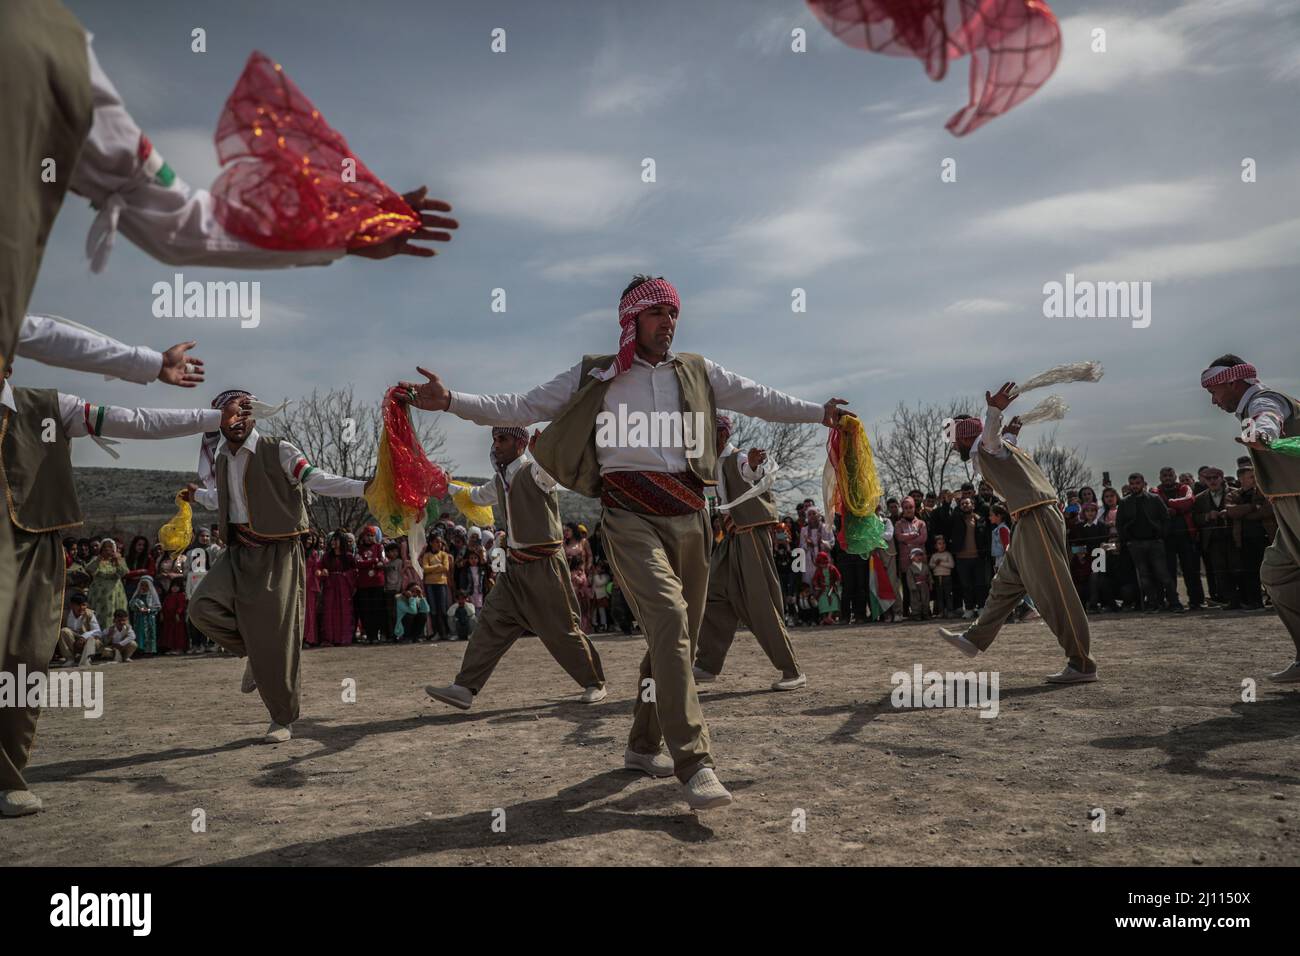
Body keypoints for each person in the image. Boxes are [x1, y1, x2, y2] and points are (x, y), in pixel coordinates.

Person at [398, 273, 850, 810]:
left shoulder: (698, 371)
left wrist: (818, 412)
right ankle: (695, 761)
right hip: (628, 518)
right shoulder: (599, 374)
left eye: (674, 314)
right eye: (658, 313)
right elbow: (520, 404)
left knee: (670, 638)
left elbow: (760, 398)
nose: (669, 323)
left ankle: (641, 745)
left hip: (691, 519)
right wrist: (450, 400)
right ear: (631, 319)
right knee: (670, 621)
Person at [0, 365, 241, 817]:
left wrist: (212, 419)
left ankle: (7, 776)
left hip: (31, 549)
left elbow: (137, 419)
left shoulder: (51, 408)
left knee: (23, 661)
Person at [184, 389, 371, 744]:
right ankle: (254, 653)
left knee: (280, 639)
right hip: (238, 550)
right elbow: (224, 498)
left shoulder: (278, 449)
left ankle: (282, 718)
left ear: (254, 416)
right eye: (229, 415)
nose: (236, 421)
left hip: (278, 552)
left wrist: (364, 487)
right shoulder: (222, 458)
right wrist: (195, 495)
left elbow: (316, 479)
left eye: (243, 413)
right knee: (201, 608)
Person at [423, 427, 607, 710]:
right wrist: (446, 484)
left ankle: (595, 682)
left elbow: (552, 474)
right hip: (514, 570)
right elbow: (474, 496)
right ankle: (464, 687)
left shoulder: (535, 471)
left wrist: (542, 453)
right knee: (490, 623)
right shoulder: (500, 480)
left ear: (520, 444)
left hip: (545, 566)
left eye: (502, 439)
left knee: (562, 630)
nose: (496, 445)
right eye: (494, 439)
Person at [938, 387, 1096, 684]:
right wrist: (1008, 431)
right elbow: (1002, 444)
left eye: (953, 439)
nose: (952, 446)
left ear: (963, 436)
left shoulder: (983, 446)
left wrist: (994, 412)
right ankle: (975, 638)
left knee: (1054, 591)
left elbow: (991, 439)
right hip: (1028, 518)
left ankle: (1082, 663)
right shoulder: (993, 449)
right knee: (1006, 583)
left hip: (1036, 515)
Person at [1202, 356, 1300, 680]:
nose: (1213, 400)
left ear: (1233, 381)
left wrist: (1262, 431)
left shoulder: (1263, 400)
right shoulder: (1248, 410)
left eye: (1214, 391)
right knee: (1277, 574)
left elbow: (1268, 417)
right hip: (1287, 503)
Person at [694, 417, 804, 691]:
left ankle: (791, 670)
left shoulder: (737, 458)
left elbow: (751, 472)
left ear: (720, 436)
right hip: (732, 539)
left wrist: (754, 464)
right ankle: (707, 664)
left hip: (750, 536)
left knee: (760, 601)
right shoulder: (713, 463)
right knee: (715, 593)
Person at [1118, 473, 1182, 613]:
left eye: (1137, 483)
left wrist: (1161, 535)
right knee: (1144, 577)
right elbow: (1120, 524)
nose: (1135, 486)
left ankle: (1174, 602)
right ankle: (1153, 604)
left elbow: (1165, 518)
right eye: (1132, 484)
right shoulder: (1124, 502)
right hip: (1135, 544)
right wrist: (1127, 540)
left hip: (1155, 542)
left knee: (1163, 574)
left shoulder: (1154, 499)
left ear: (1143, 483)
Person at [1155, 466, 1205, 610]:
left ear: (1175, 476)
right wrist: (1177, 507)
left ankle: (1196, 601)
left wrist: (1169, 505)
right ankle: (1173, 602)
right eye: (1164, 475)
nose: (1167, 477)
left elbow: (1188, 501)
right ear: (1160, 478)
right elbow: (1157, 506)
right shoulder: (1155, 491)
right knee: (1169, 572)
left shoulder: (1184, 488)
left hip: (1186, 536)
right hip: (1166, 538)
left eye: (1170, 475)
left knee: (1191, 570)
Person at [1225, 466, 1271, 609]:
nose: (1254, 480)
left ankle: (1274, 600)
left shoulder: (1264, 492)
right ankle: (1255, 601)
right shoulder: (1233, 495)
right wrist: (1253, 507)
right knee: (1250, 572)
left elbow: (1267, 510)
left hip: (1266, 537)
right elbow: (1232, 511)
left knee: (1270, 571)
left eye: (1255, 476)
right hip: (1244, 539)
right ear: (1241, 479)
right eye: (1251, 477)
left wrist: (1245, 513)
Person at [1192, 468, 1239, 608]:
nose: (1212, 481)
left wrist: (1230, 513)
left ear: (1221, 478)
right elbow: (1195, 518)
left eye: (1215, 478)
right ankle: (1229, 600)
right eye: (1209, 478)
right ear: (1204, 481)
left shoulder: (1235, 492)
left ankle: (1242, 598)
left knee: (1237, 568)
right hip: (1213, 540)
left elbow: (1242, 510)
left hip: (1233, 538)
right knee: (1220, 571)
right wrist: (1207, 516)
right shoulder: (1200, 498)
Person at [54, 593, 101, 668]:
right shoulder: (65, 614)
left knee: (92, 639)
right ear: (72, 605)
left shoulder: (89, 614)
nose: (82, 607)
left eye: (84, 605)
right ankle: (70, 659)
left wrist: (83, 637)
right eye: (79, 605)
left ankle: (86, 658)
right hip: (72, 640)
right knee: (64, 631)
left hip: (85, 640)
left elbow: (98, 631)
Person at [421, 536, 453, 641]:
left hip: (441, 583)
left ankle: (444, 632)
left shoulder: (444, 555)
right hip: (430, 584)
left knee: (442, 609)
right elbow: (425, 569)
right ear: (431, 543)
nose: (439, 544)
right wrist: (438, 566)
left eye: (440, 542)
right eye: (436, 542)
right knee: (433, 609)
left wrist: (433, 568)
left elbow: (446, 568)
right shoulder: (427, 555)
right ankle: (436, 632)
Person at [128, 576, 161, 655]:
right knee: (139, 634)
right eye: (142, 585)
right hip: (139, 619)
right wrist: (137, 606)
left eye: (146, 585)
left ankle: (149, 651)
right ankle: (140, 650)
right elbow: (131, 605)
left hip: (149, 619)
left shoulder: (152, 596)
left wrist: (149, 610)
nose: (144, 587)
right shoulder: (137, 596)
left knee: (150, 634)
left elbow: (157, 607)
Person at [159, 578, 189, 654]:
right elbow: (164, 606)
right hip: (168, 619)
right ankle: (172, 648)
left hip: (177, 618)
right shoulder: (168, 596)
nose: (174, 588)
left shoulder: (181, 595)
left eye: (177, 586)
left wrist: (178, 613)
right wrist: (162, 614)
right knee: (170, 634)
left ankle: (180, 649)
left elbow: (181, 606)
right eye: (173, 586)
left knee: (179, 633)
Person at [812, 551, 842, 625]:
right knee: (822, 600)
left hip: (832, 589)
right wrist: (816, 585)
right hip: (823, 590)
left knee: (834, 599)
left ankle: (829, 617)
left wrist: (837, 583)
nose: (823, 565)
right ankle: (825, 618)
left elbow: (838, 576)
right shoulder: (818, 570)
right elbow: (815, 579)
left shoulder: (832, 568)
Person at [929, 536, 955, 618]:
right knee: (939, 596)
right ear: (936, 546)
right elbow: (931, 566)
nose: (942, 545)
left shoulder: (948, 554)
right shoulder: (934, 556)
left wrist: (941, 563)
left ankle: (950, 611)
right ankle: (941, 612)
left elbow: (952, 565)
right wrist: (935, 564)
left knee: (948, 595)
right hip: (937, 577)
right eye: (939, 544)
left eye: (943, 543)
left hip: (947, 577)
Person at [905, 547, 932, 621]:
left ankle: (925, 614)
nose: (919, 557)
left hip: (924, 585)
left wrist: (930, 583)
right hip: (915, 586)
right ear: (912, 557)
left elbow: (929, 575)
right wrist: (912, 586)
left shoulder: (925, 566)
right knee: (915, 600)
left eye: (920, 555)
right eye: (916, 555)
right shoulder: (910, 568)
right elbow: (909, 578)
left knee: (925, 600)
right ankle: (916, 614)